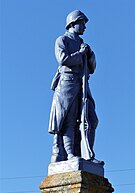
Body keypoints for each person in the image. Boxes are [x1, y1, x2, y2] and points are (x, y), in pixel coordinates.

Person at [48, 10, 100, 163]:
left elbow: (92, 68)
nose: (84, 27)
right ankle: (70, 153)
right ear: (73, 23)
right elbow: (63, 59)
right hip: (67, 84)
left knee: (91, 119)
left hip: (83, 84)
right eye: (81, 23)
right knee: (68, 120)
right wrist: (79, 53)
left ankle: (88, 154)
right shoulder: (62, 40)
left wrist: (89, 54)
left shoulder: (83, 44)